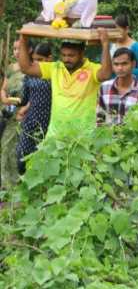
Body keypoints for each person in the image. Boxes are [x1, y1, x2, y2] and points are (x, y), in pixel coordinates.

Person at [18, 30, 113, 137]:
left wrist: (105, 45)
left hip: (83, 136)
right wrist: (23, 40)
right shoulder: (56, 68)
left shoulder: (92, 69)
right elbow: (26, 68)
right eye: (63, 55)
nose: (66, 59)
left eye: (71, 55)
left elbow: (106, 74)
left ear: (82, 54)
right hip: (55, 136)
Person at [15, 43, 52, 175]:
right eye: (35, 60)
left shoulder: (55, 75)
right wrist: (13, 101)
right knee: (21, 157)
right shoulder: (30, 75)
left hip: (50, 122)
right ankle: (23, 184)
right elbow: (24, 99)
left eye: (41, 60)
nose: (37, 63)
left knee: (44, 159)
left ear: (49, 58)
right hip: (31, 120)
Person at [96, 48, 138, 127]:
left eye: (124, 64)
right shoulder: (104, 88)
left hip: (132, 138)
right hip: (109, 138)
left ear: (133, 64)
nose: (120, 68)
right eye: (116, 64)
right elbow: (100, 119)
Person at [1, 39, 25, 188]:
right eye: (14, 49)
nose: (16, 52)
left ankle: (15, 183)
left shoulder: (31, 69)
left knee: (16, 147)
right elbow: (3, 87)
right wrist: (4, 98)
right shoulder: (11, 68)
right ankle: (5, 182)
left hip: (22, 113)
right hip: (7, 112)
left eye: (20, 49)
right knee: (4, 146)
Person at [110, 14, 138, 82]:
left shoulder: (137, 47)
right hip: (111, 85)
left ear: (127, 29)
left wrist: (124, 71)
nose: (115, 34)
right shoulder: (110, 45)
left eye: (118, 31)